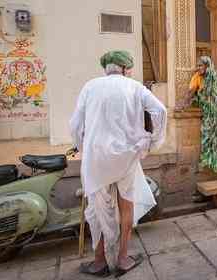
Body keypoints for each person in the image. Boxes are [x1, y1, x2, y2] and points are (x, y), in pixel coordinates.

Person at [70, 50, 167, 278]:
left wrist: (82, 146)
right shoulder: (134, 87)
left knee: (96, 210)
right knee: (127, 206)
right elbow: (160, 111)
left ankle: (99, 262)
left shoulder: (90, 86)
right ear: (125, 68)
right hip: (126, 156)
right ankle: (123, 259)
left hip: (97, 159)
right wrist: (153, 141)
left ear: (107, 68)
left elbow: (75, 125)